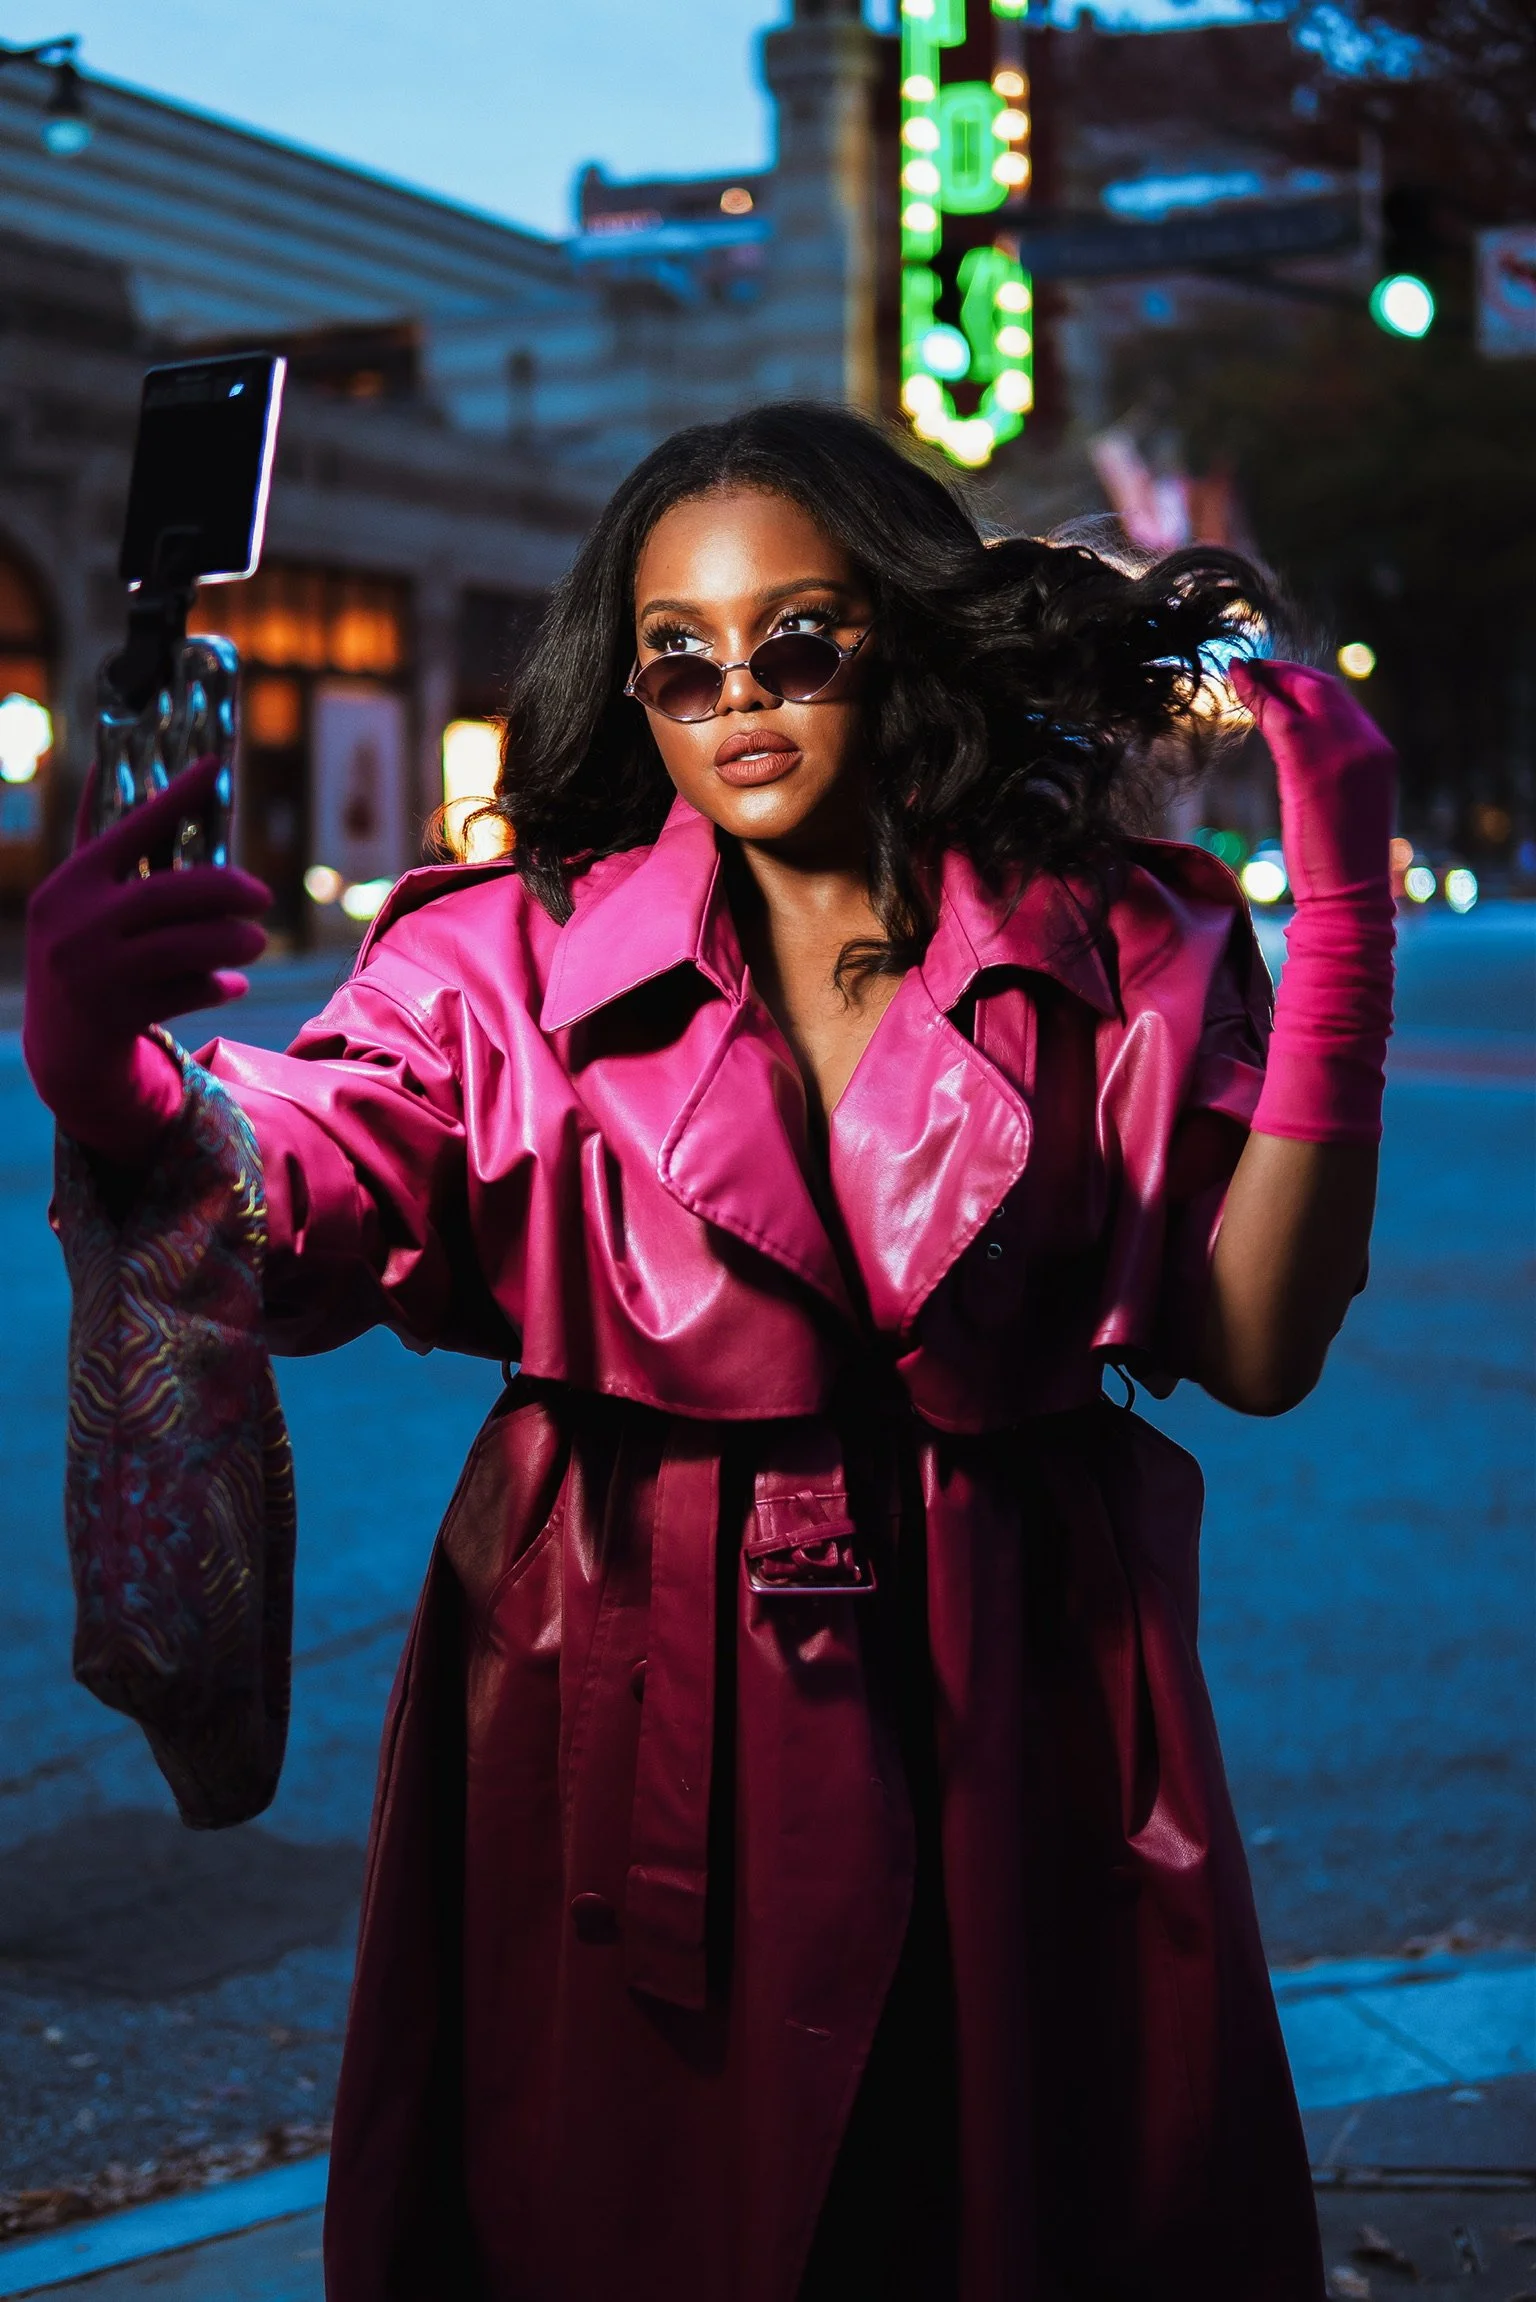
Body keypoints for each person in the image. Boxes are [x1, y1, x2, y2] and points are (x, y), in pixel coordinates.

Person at [24, 404, 1396, 2302]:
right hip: (614, 1682)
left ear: (905, 637)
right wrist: (111, 1078)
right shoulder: (504, 958)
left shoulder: (1121, 942)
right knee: (623, 2200)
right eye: (681, 656)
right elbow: (305, 1177)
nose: (738, 694)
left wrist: (1343, 927)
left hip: (1019, 1677)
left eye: (802, 640)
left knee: (1009, 2189)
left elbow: (1252, 1342)